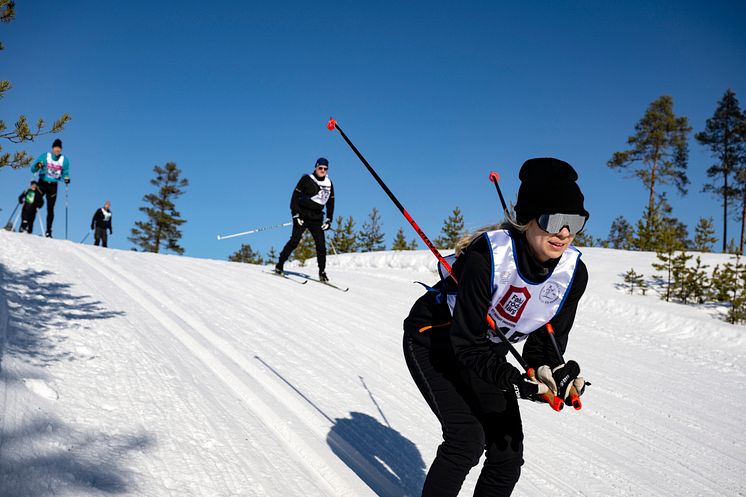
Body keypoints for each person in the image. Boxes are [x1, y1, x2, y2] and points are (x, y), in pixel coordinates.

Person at [402, 158, 589, 497]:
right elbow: (467, 344)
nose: (564, 233)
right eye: (555, 220)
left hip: (483, 350)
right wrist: (516, 382)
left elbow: (542, 346)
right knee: (466, 441)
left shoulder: (572, 275)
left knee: (507, 454)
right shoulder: (487, 258)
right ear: (527, 219)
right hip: (435, 340)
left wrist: (554, 373)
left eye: (575, 222)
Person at [275, 157, 335, 281]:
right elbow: (294, 198)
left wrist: (329, 219)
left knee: (321, 246)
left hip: (317, 218)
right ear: (316, 167)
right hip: (302, 215)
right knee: (294, 241)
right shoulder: (306, 179)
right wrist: (295, 215)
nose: (322, 170)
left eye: (325, 169)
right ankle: (280, 265)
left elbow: (330, 202)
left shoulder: (329, 183)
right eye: (320, 168)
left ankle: (322, 272)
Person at [31, 138, 70, 238]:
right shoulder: (45, 156)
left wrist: (66, 178)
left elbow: (65, 172)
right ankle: (28, 227)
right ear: (52, 148)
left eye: (59, 148)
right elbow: (33, 169)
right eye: (56, 148)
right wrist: (38, 165)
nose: (57, 150)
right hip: (42, 183)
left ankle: (48, 231)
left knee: (51, 209)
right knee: (35, 203)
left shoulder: (64, 160)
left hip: (53, 186)